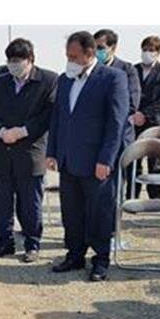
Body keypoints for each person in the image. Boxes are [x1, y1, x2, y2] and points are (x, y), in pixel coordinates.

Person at [46, 31, 129, 282]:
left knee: (99, 212)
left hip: (97, 162)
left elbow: (116, 122)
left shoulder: (113, 78)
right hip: (69, 159)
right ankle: (74, 254)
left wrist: (107, 159)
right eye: (67, 56)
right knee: (71, 212)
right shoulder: (65, 80)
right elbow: (58, 118)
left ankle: (101, 259)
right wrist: (52, 152)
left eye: (74, 56)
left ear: (90, 54)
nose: (69, 61)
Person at [0, 38, 58, 263]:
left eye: (18, 61)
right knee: (2, 202)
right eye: (10, 60)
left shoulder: (48, 80)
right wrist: (1, 131)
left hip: (30, 151)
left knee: (30, 203)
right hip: (3, 150)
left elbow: (49, 115)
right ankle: (5, 243)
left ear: (30, 60)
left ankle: (32, 245)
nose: (13, 65)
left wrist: (23, 131)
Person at [128, 35, 160, 199]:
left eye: (151, 50)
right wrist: (135, 113)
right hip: (134, 121)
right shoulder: (133, 70)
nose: (147, 53)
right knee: (134, 160)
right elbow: (128, 93)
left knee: (156, 162)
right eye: (145, 49)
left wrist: (145, 114)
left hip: (155, 122)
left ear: (158, 52)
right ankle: (132, 196)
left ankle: (157, 198)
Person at [94, 28, 141, 150]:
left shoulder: (126, 70)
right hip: (94, 137)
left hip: (120, 135)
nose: (96, 51)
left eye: (100, 47)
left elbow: (132, 103)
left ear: (113, 48)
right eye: (94, 47)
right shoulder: (91, 71)